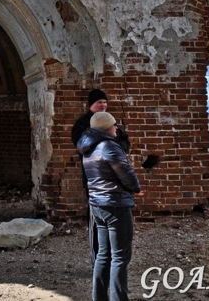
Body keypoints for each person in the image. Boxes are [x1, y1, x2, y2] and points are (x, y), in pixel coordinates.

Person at [77, 111, 141, 301]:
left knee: (103, 255)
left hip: (97, 205)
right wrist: (136, 188)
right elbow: (126, 174)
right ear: (107, 128)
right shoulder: (109, 146)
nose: (116, 128)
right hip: (115, 205)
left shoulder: (88, 148)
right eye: (114, 125)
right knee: (120, 257)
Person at [71, 88, 130, 261]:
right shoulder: (83, 123)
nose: (103, 105)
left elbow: (124, 141)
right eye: (99, 102)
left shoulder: (111, 122)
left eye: (105, 102)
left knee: (115, 220)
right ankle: (98, 258)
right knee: (97, 221)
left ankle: (113, 257)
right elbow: (81, 143)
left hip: (114, 178)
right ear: (91, 105)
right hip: (94, 178)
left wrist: (119, 148)